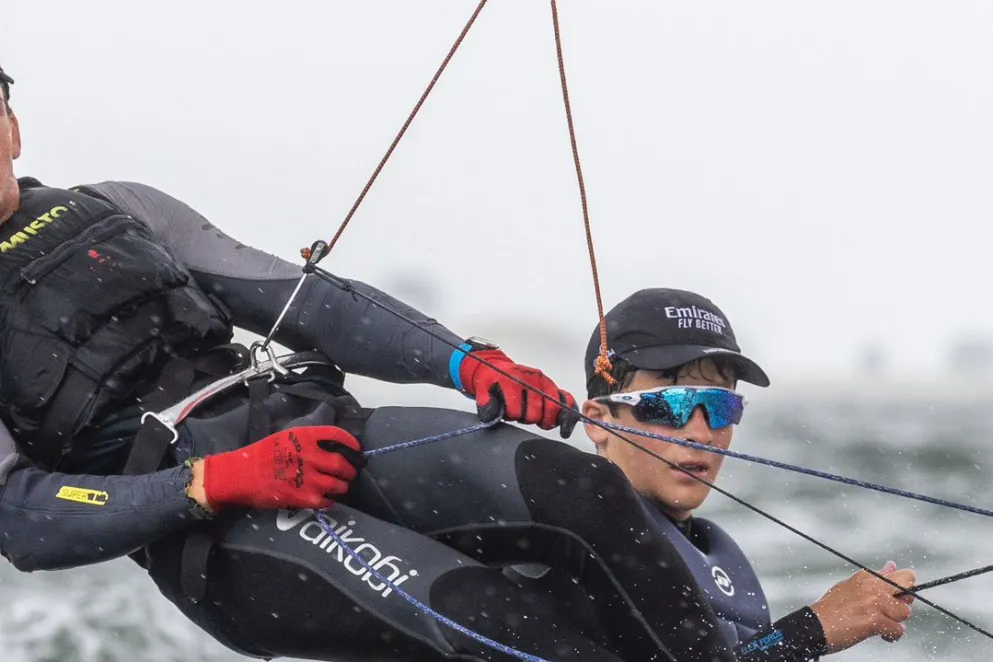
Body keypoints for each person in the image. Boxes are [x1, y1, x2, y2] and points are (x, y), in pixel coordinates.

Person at [506, 287, 918, 661]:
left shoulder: (723, 557)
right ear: (597, 420)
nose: (702, 434)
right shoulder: (564, 548)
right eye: (669, 405)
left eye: (721, 407)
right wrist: (813, 628)